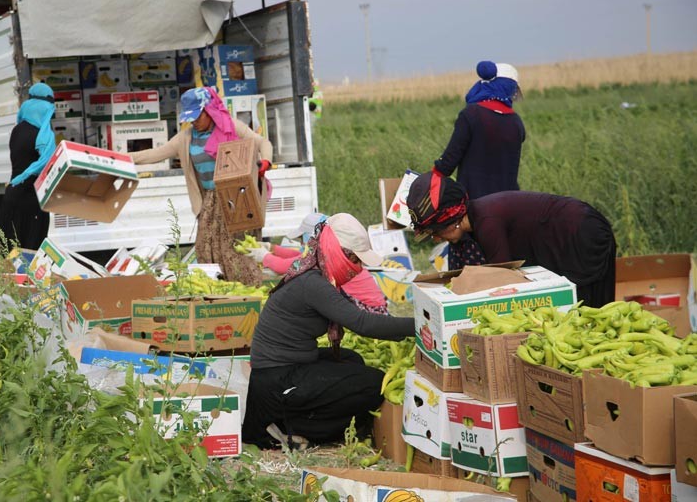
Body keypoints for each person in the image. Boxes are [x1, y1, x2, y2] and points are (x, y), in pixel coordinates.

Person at [242, 213, 415, 449]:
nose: (359, 267)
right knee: (373, 383)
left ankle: (295, 419)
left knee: (352, 360)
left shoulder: (316, 272)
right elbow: (362, 322)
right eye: (355, 259)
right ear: (338, 251)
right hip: (276, 380)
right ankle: (288, 427)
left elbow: (357, 312)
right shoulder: (312, 283)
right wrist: (419, 325)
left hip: (286, 368)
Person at [406, 171, 617, 308]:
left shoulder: (487, 222)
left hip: (578, 232)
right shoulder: (476, 218)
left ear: (453, 223)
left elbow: (502, 280)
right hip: (560, 237)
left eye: (436, 233)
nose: (436, 239)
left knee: (588, 308)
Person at [130, 87, 272, 286]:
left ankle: (248, 291)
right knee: (207, 247)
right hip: (210, 200)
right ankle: (217, 290)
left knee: (235, 248)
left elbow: (262, 142)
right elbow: (156, 153)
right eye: (190, 117)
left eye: (198, 116)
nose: (194, 121)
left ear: (209, 110)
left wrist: (265, 161)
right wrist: (123, 159)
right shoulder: (186, 137)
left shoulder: (231, 127)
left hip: (236, 199)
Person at [248, 212, 388, 311]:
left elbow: (286, 265)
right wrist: (272, 248)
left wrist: (264, 256)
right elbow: (299, 256)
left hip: (368, 311)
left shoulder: (327, 260)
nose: (302, 243)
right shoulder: (331, 257)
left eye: (302, 239)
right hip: (376, 308)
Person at [432, 61, 526, 200]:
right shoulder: (516, 122)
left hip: (475, 203)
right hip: (508, 203)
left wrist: (431, 178)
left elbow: (450, 160)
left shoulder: (471, 114)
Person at [0, 82, 57, 250]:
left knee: (9, 256)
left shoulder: (17, 130)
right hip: (32, 203)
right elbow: (50, 164)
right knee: (31, 256)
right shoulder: (44, 136)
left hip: (12, 198)